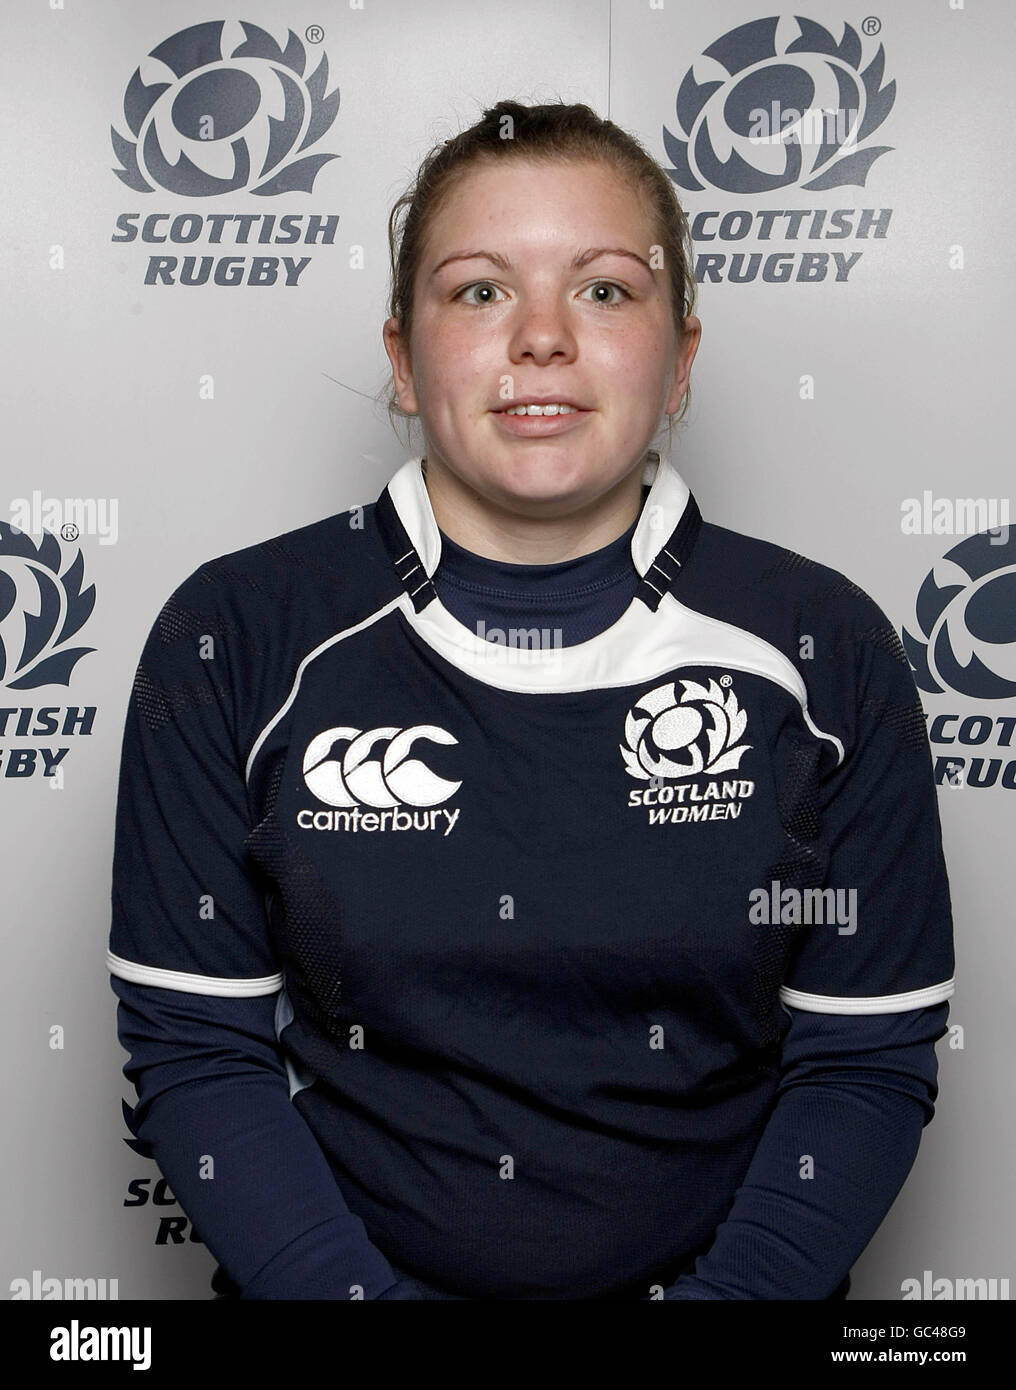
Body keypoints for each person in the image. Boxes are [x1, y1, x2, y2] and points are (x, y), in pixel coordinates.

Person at [107, 100, 955, 1301]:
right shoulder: (234, 636)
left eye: (605, 290)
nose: (543, 337)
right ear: (403, 357)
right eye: (479, 292)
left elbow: (860, 1069)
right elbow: (199, 1058)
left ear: (682, 359)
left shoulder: (826, 651)